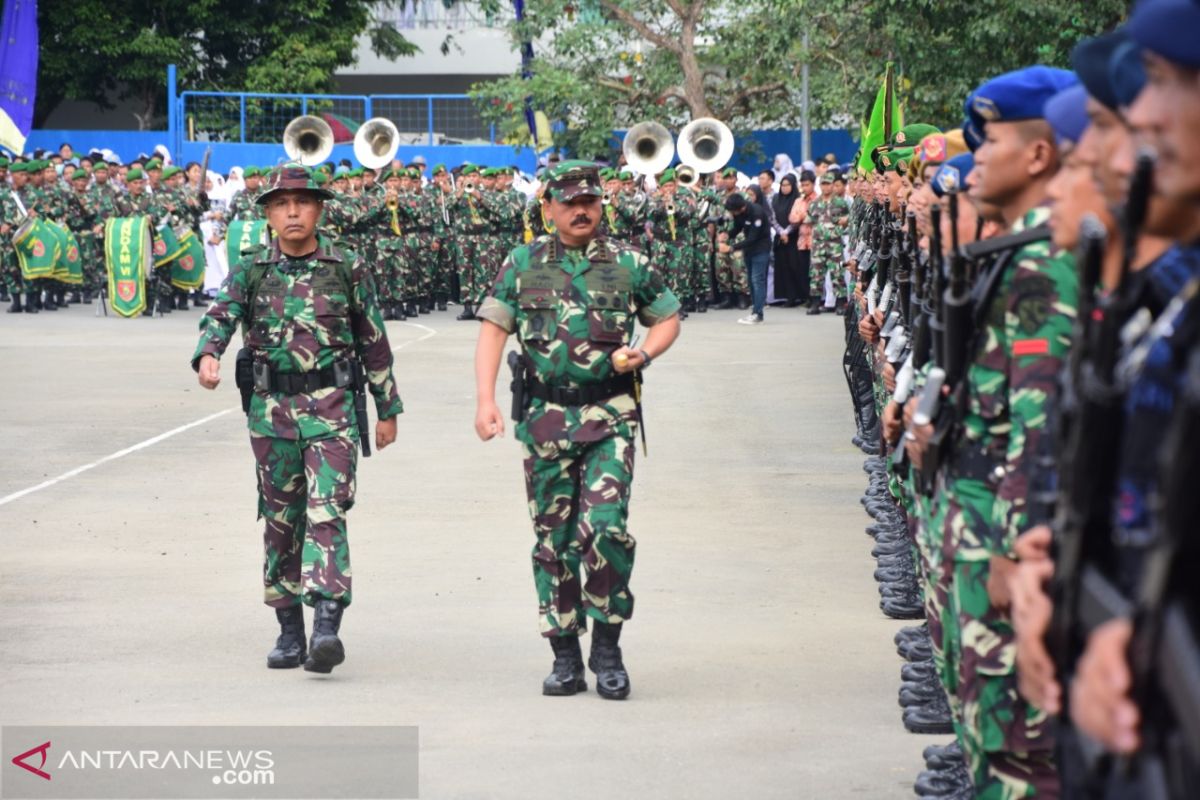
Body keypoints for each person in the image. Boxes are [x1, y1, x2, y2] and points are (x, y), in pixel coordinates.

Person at [472, 159, 681, 700]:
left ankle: (607, 646)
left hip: (610, 417)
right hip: (543, 421)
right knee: (554, 540)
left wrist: (645, 352)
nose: (581, 210)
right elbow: (495, 330)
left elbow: (667, 316)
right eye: (568, 203)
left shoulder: (629, 262)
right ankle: (565, 654)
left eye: (589, 202)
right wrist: (485, 400)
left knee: (605, 529)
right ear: (548, 210)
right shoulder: (521, 263)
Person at [191, 163, 403, 675]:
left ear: (319, 209)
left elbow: (373, 338)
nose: (292, 211)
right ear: (267, 213)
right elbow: (221, 315)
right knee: (283, 520)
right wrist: (207, 353)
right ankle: (289, 629)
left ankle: (326, 624)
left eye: (303, 202)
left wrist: (387, 406)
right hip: (271, 416)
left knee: (328, 510)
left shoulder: (345, 266)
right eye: (282, 204)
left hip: (332, 410)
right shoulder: (251, 269)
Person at [723, 190, 771, 325]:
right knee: (750, 280)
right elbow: (738, 227)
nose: (733, 214)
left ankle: (758, 313)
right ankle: (755, 310)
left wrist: (731, 248)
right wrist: (728, 235)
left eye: (734, 211)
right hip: (749, 250)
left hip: (761, 248)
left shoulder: (757, 213)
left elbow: (752, 238)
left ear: (742, 207)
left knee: (757, 280)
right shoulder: (739, 213)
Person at [770, 174, 801, 306]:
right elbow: (772, 216)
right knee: (782, 267)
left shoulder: (797, 199)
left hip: (793, 238)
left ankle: (796, 296)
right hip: (780, 239)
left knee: (793, 266)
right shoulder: (776, 198)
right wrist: (781, 232)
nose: (784, 188)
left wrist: (787, 231)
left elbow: (798, 217)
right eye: (782, 185)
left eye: (787, 185)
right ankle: (785, 296)